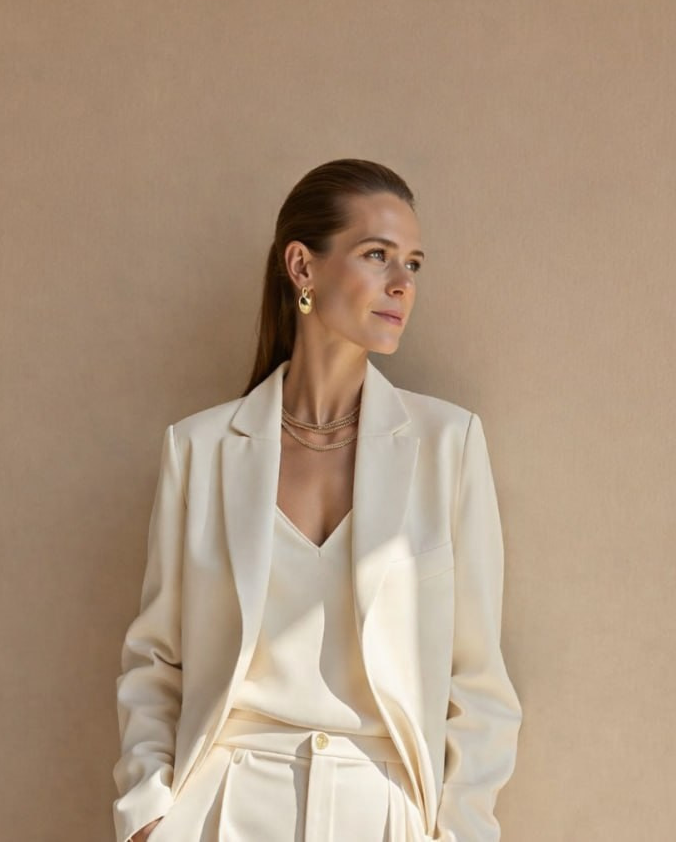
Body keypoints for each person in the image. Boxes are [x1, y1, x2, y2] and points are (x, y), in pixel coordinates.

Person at [112, 159, 522, 842]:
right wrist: (148, 817)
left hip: (384, 813)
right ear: (302, 266)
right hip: (223, 808)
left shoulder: (448, 446)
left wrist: (460, 833)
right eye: (377, 254)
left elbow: (479, 682)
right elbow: (155, 660)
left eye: (414, 263)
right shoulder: (200, 449)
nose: (402, 283)